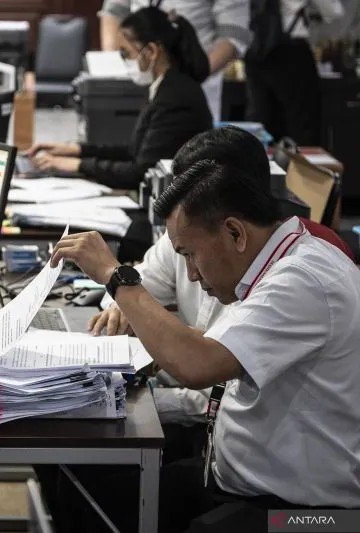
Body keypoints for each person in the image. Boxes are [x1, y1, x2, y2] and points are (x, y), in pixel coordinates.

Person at [46, 127, 360, 531]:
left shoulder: (303, 279)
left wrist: (115, 276)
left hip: (299, 514)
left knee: (96, 500)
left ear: (234, 232)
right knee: (76, 478)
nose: (191, 275)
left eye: (192, 256)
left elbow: (198, 363)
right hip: (233, 474)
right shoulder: (271, 260)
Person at [26, 7, 212, 190]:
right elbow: (134, 152)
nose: (124, 61)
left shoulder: (177, 97)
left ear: (151, 52)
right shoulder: (165, 87)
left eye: (126, 53)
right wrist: (75, 150)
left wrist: (75, 165)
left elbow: (139, 173)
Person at [100, 0, 251, 121]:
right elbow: (114, 11)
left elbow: (233, 36)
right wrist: (120, 63)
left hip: (195, 83)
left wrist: (188, 78)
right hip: (139, 79)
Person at [244, 0, 344, 145]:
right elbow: (333, 11)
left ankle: (260, 164)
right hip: (291, 52)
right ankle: (301, 165)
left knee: (260, 123)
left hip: (255, 52)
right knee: (302, 126)